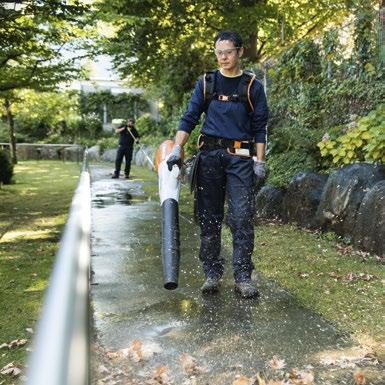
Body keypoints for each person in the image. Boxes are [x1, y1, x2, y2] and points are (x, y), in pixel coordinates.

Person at [166, 31, 268, 298]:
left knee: (241, 219)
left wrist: (260, 160)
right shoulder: (206, 83)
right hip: (209, 159)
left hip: (241, 161)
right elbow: (189, 118)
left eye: (228, 52)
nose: (223, 57)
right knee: (209, 219)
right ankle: (212, 273)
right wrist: (178, 147)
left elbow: (260, 127)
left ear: (240, 52)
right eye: (219, 52)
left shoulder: (252, 86)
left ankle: (243, 277)